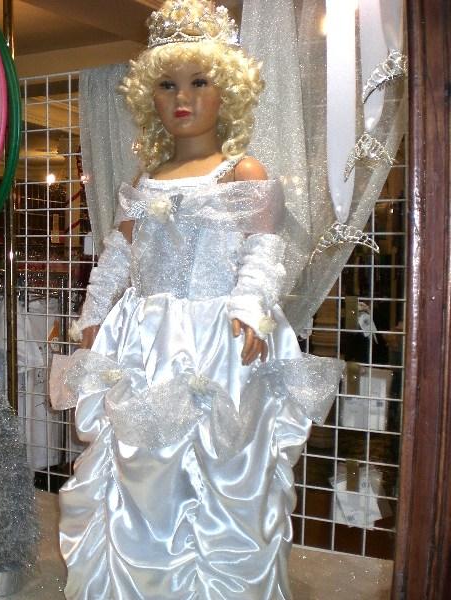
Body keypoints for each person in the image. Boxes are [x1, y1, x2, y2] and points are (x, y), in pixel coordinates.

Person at [49, 1, 343, 598]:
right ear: (148, 98)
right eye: (167, 85)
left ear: (226, 90)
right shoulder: (144, 180)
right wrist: (92, 316)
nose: (182, 97)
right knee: (136, 466)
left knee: (218, 470)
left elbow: (263, 247)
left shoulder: (241, 171)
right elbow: (118, 255)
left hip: (216, 341)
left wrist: (250, 308)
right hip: (144, 340)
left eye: (199, 82)